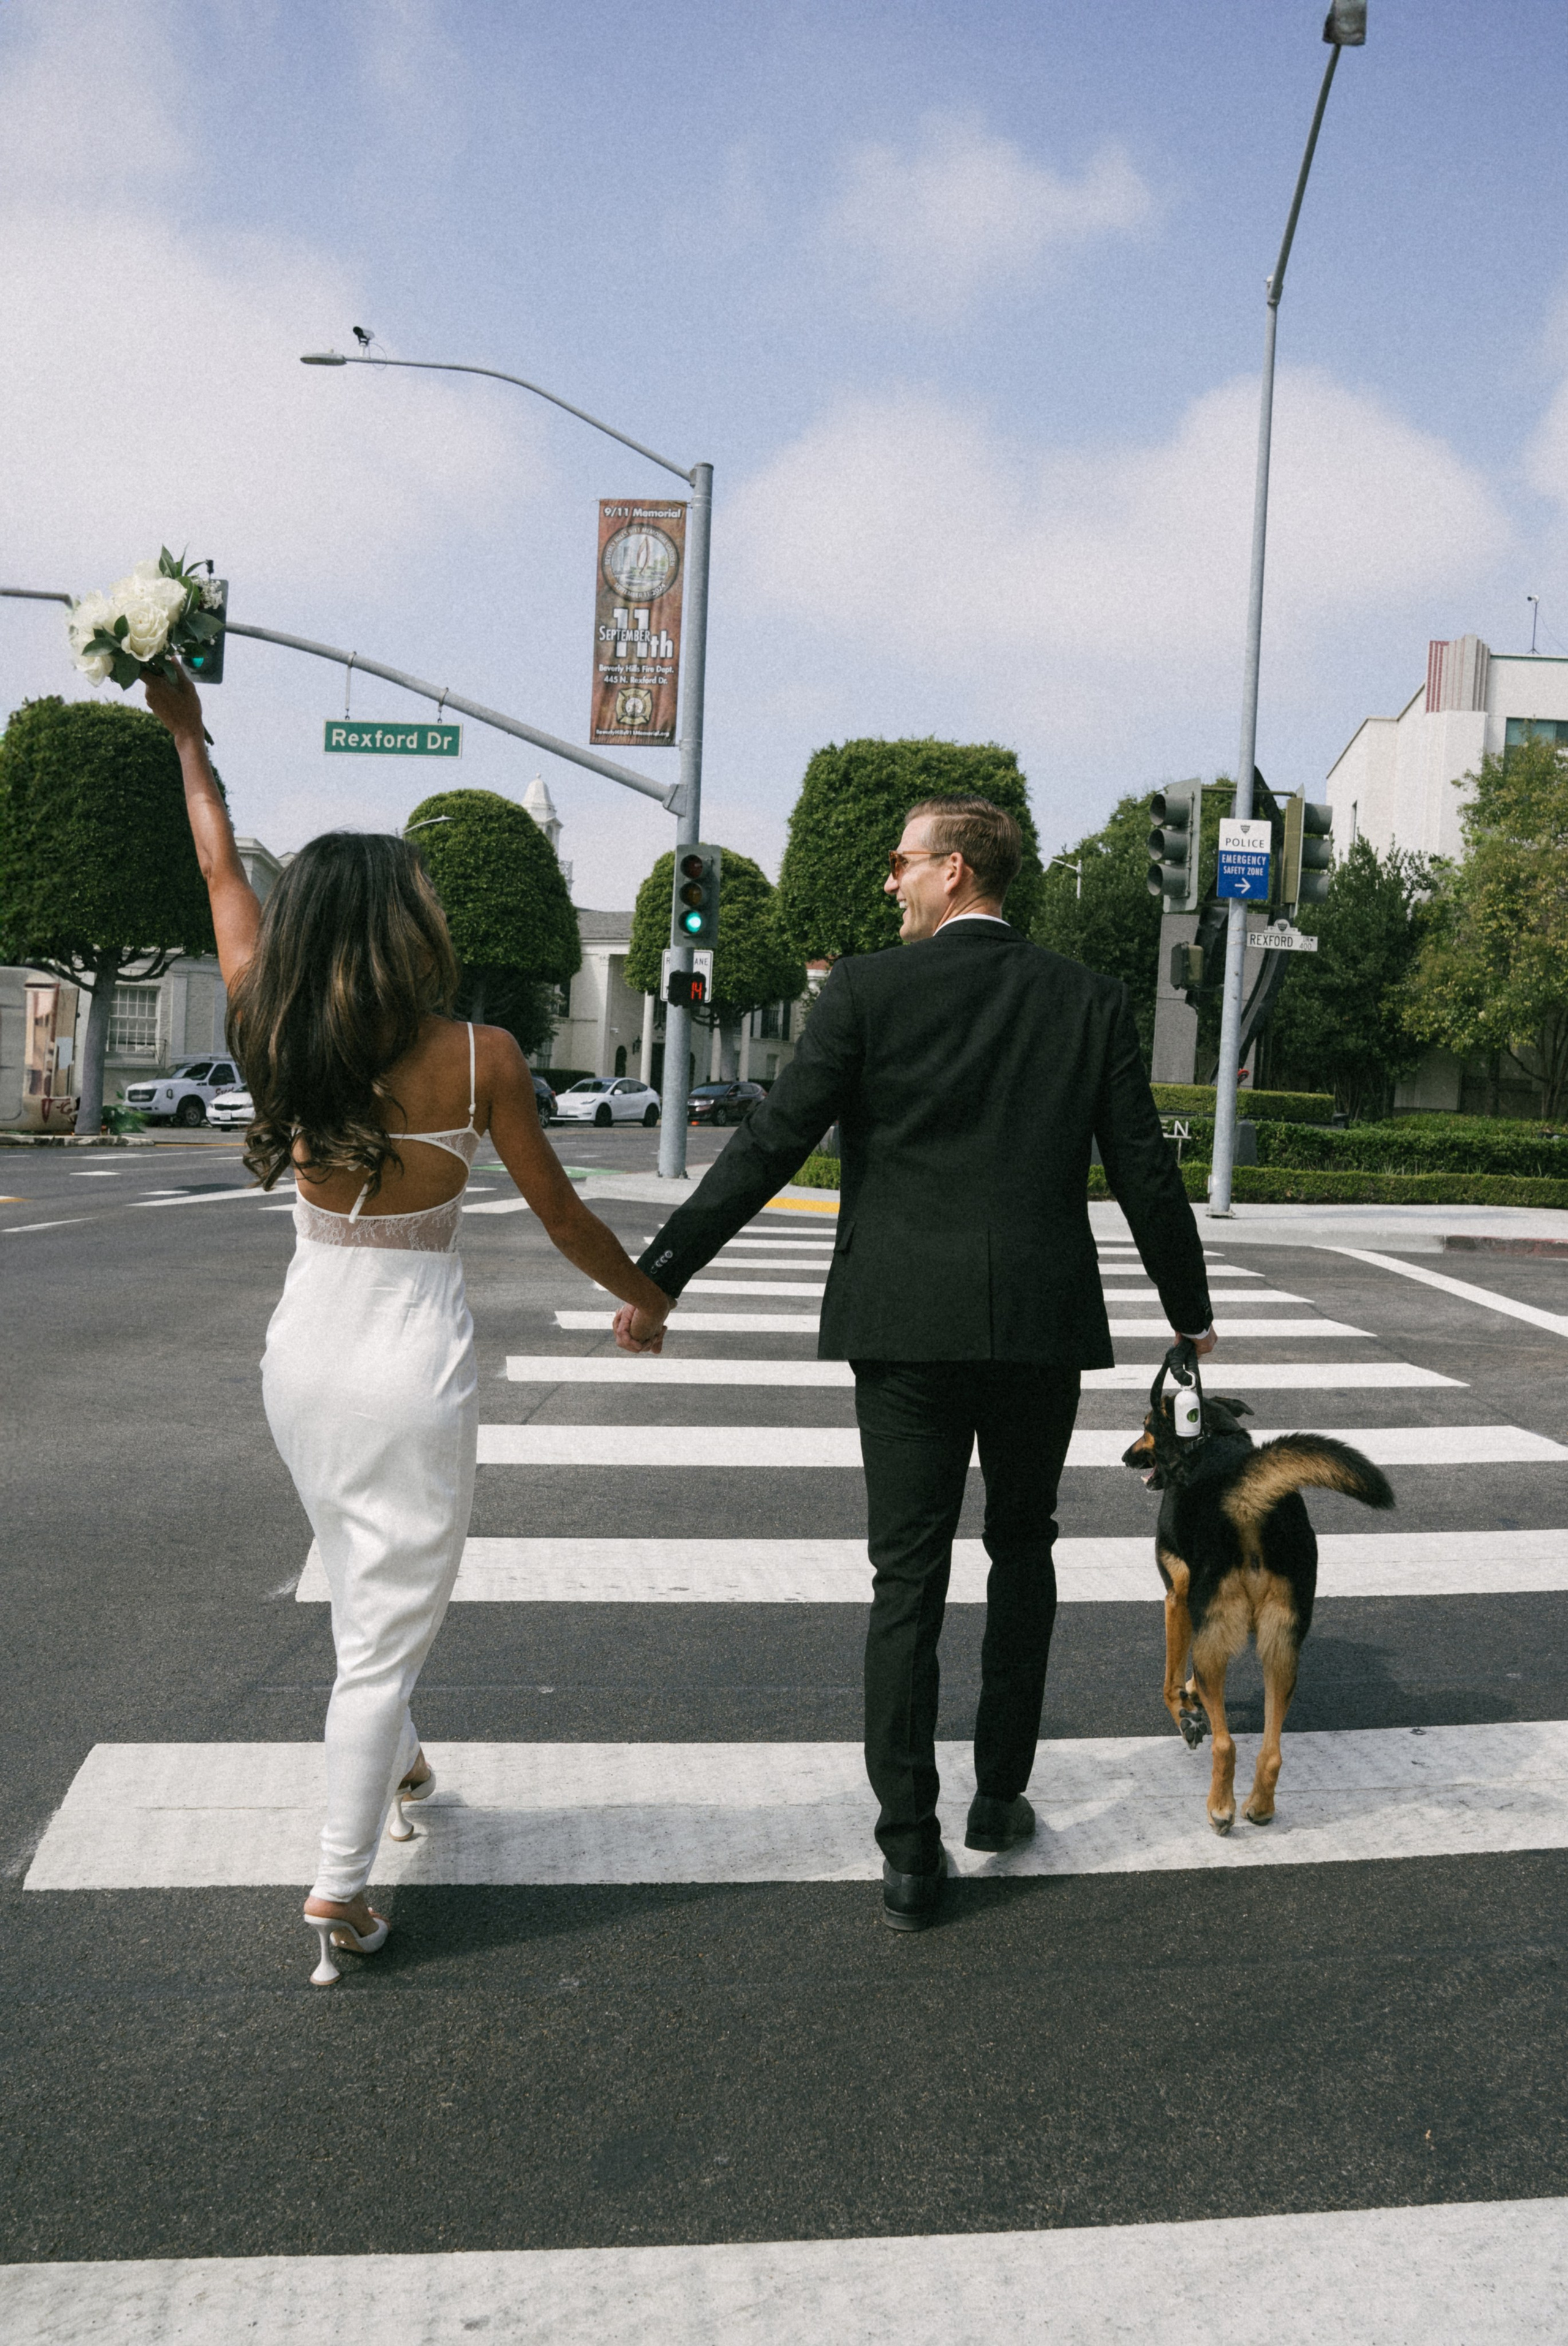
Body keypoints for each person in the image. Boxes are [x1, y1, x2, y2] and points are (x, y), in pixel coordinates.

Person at [146, 666, 673, 1983]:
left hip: (301, 1355)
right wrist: (644, 1294)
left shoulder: (267, 1008)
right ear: (404, 926)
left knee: (362, 1578)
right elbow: (560, 1216)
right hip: (407, 1366)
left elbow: (219, 870)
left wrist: (188, 742)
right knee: (382, 1616)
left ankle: (408, 1758)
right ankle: (338, 1887)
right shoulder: (481, 1055)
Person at [617, 796, 1215, 1930]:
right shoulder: (1084, 1000)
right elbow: (1142, 1166)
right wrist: (1188, 1311)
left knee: (908, 1577)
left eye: (901, 862)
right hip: (1039, 1329)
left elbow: (769, 1141)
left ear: (954, 870)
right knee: (1025, 1551)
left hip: (901, 1329)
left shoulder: (864, 995)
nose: (888, 881)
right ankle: (998, 1796)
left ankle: (907, 1848)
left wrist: (664, 1275)